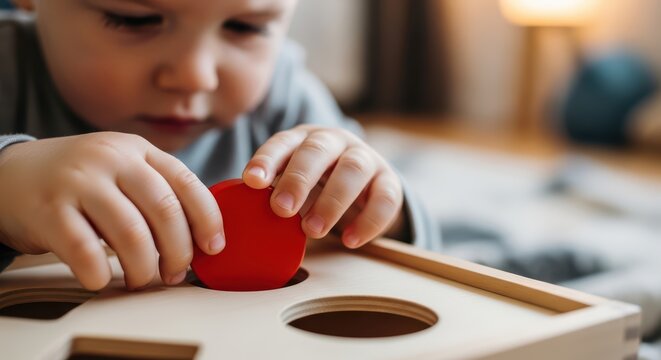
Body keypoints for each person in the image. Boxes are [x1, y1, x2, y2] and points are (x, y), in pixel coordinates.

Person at [0, 0, 439, 291]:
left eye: (245, 27)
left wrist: (377, 208)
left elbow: (421, 259)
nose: (195, 76)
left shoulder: (284, 97)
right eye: (136, 19)